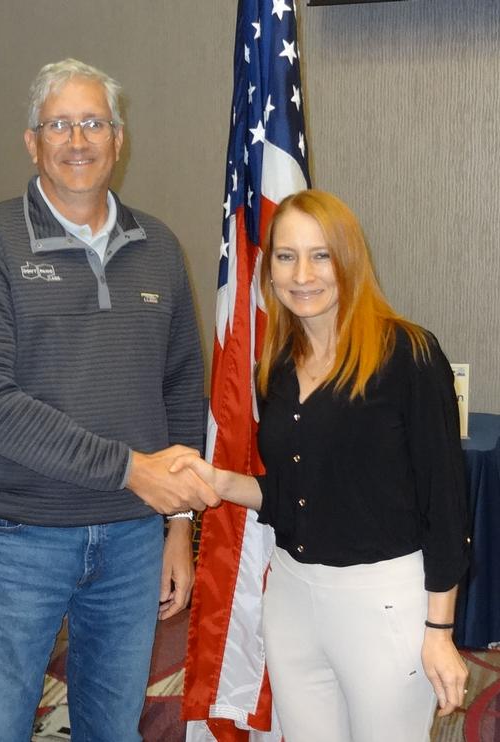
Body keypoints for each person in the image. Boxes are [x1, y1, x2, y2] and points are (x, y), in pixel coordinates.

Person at [0, 58, 218, 742]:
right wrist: (133, 471)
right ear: (32, 141)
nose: (77, 140)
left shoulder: (159, 248)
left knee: (112, 728)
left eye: (93, 122)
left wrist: (179, 525)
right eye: (58, 124)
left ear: (118, 139)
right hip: (15, 537)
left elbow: (183, 387)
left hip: (131, 540)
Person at [172, 190, 470, 742]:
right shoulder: (280, 364)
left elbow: (446, 509)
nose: (302, 274)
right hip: (291, 598)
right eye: (286, 257)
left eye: (320, 255)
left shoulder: (409, 354)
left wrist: (439, 630)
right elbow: (292, 496)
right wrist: (220, 484)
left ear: (348, 260)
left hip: (383, 605)